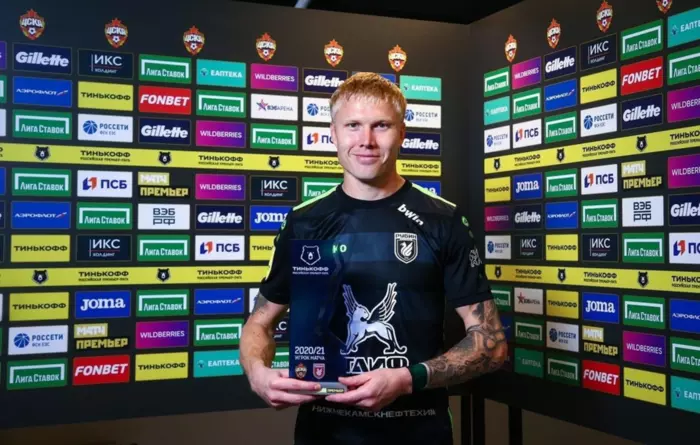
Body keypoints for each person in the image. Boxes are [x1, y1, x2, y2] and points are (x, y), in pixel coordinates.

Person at [240, 72, 507, 445]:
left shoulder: (443, 221)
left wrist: (408, 379)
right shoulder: (304, 223)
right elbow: (259, 324)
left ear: (402, 133)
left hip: (420, 435)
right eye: (353, 125)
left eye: (381, 125)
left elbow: (491, 343)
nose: (366, 140)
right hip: (324, 435)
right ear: (333, 133)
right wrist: (257, 373)